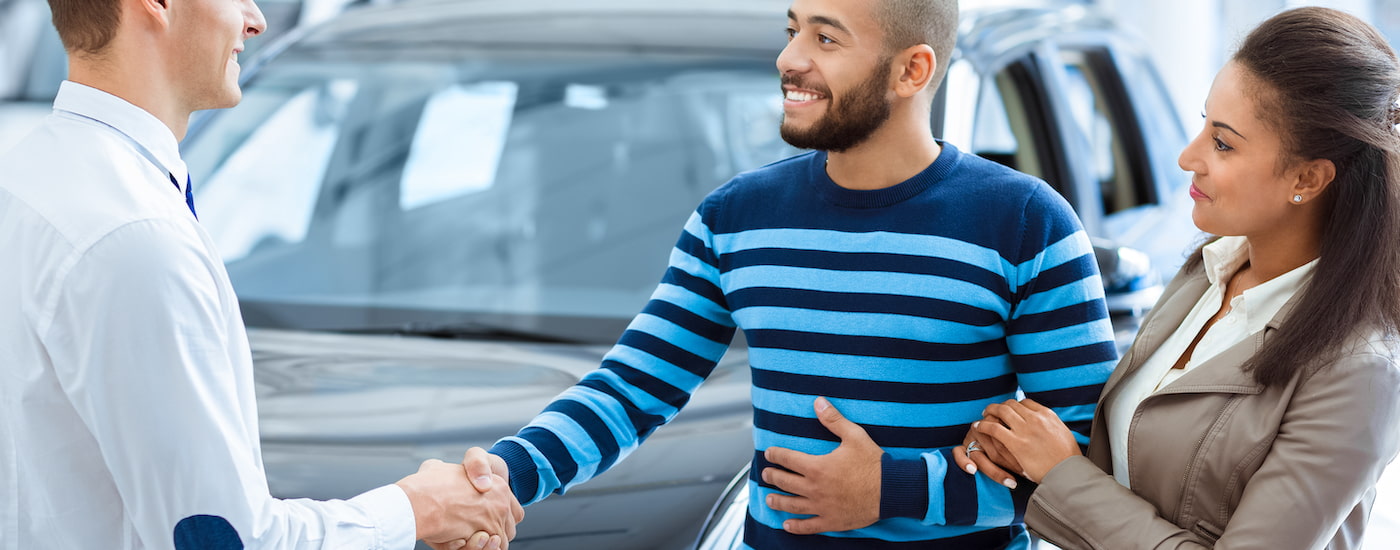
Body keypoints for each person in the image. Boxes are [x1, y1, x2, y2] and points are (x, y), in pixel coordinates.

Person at [461, 0, 1118, 547]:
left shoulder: (1025, 223)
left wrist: (891, 490)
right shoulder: (734, 217)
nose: (789, 58)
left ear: (912, 70)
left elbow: (1084, 468)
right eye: (792, 28)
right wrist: (496, 482)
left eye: (825, 37)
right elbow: (630, 390)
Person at [0, 0, 523, 547]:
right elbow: (223, 540)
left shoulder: (29, 179)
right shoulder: (136, 238)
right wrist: (419, 509)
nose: (256, 19)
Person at [955, 6, 1400, 549]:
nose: (1189, 157)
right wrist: (1015, 451)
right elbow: (1127, 467)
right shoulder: (1210, 269)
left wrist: (1060, 474)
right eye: (1204, 125)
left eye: (1223, 143)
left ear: (1307, 177)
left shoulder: (1358, 372)